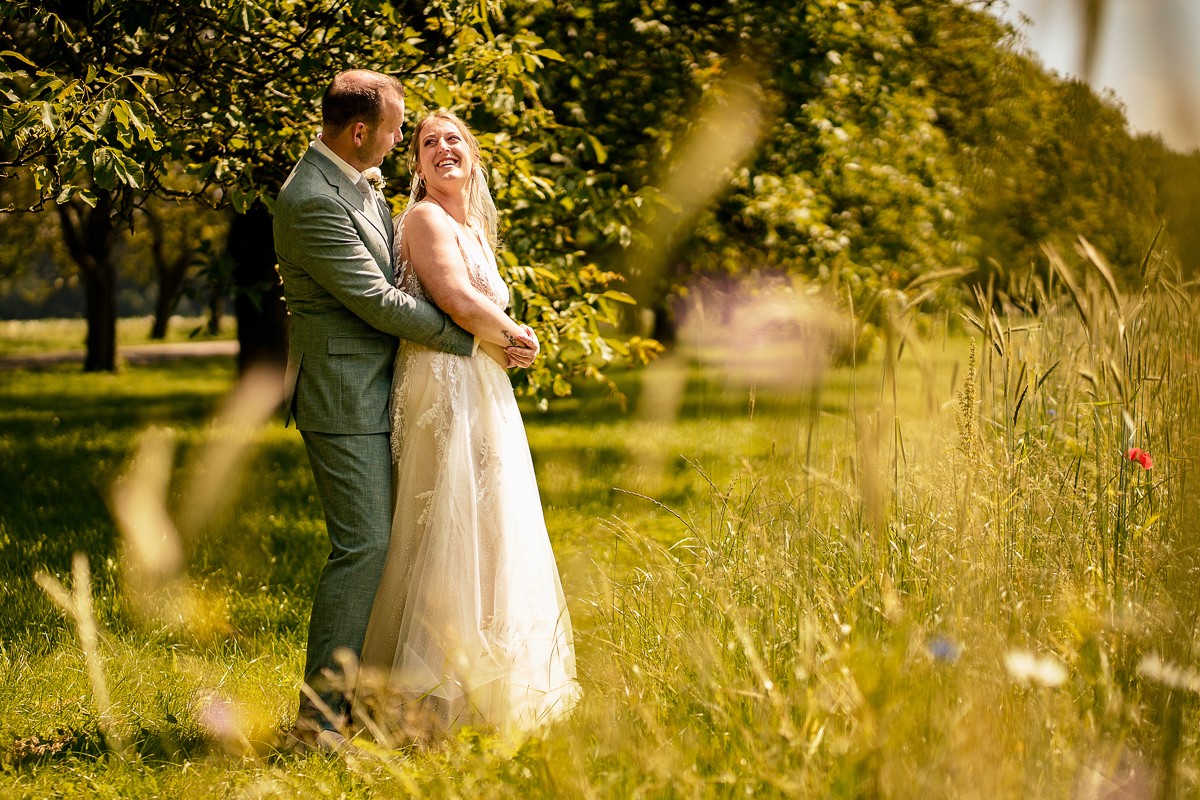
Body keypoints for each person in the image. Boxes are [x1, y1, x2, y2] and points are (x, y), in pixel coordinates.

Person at [272, 71, 539, 751]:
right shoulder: (310, 198)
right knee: (364, 546)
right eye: (398, 131)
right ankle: (319, 720)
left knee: (401, 544)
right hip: (342, 395)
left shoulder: (354, 183)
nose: (398, 143)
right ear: (362, 130)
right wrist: (473, 339)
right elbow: (378, 302)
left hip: (381, 385)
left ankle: (369, 696)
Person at [356, 111, 579, 742]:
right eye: (427, 143)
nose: (441, 148)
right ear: (418, 167)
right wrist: (514, 335)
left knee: (489, 523)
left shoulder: (473, 225)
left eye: (453, 139)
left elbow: (475, 302)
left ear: (473, 157)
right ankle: (428, 693)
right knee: (447, 520)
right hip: (440, 382)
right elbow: (453, 299)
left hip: (479, 380)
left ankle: (490, 677)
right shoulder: (425, 219)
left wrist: (507, 341)